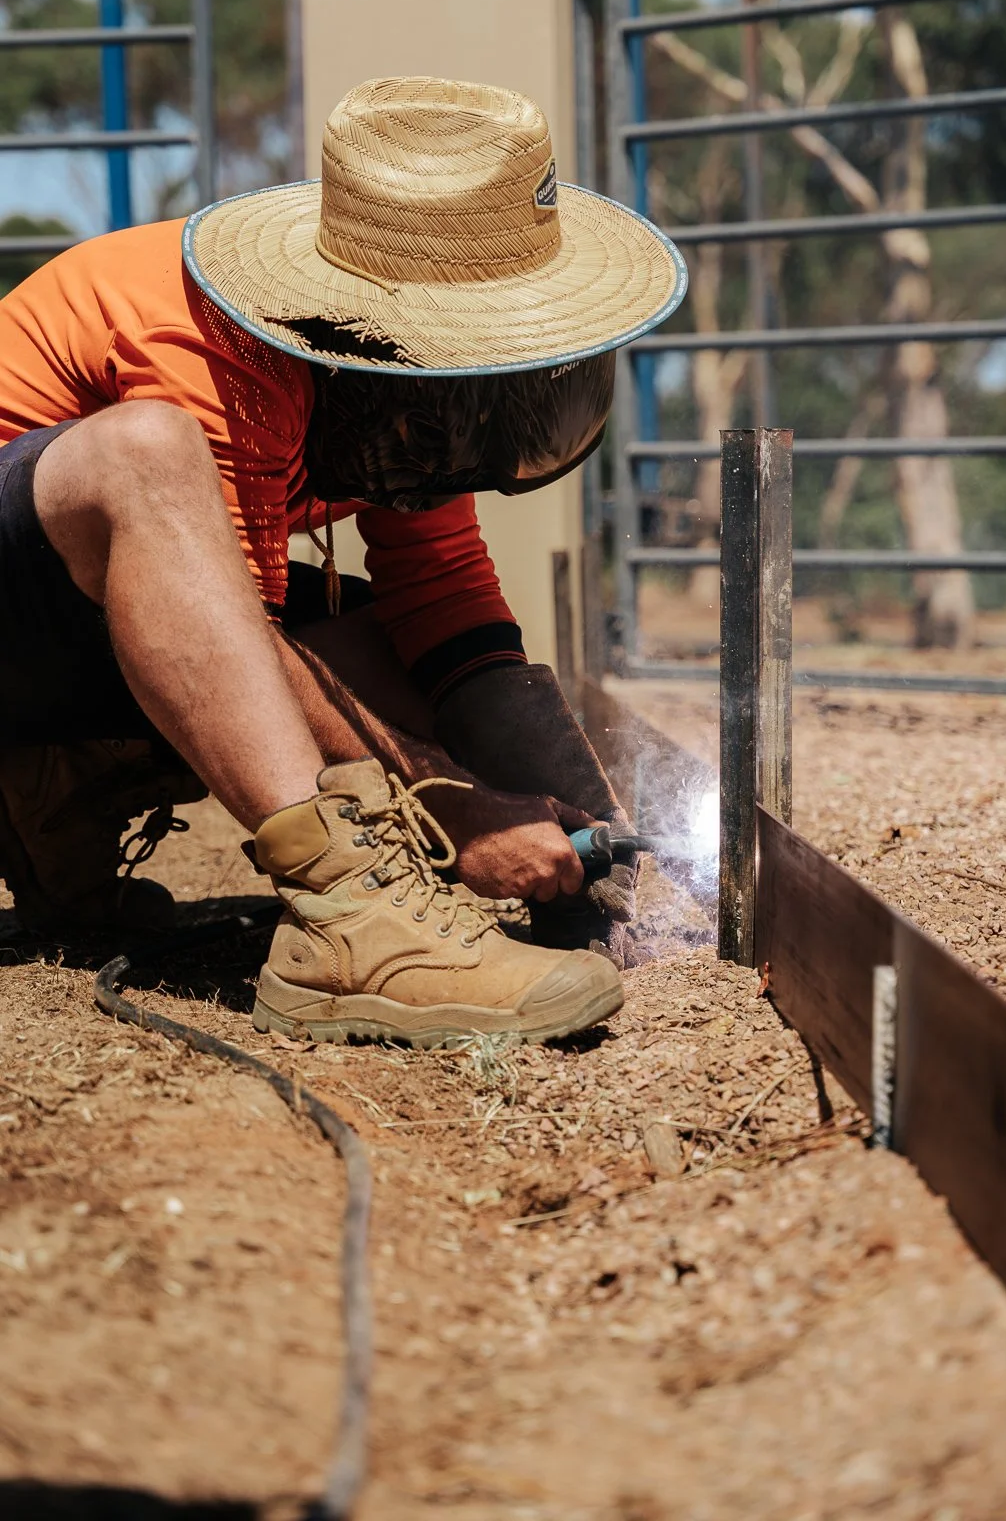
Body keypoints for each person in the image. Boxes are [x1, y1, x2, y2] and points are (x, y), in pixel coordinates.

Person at [0, 76, 687, 1047]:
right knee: (143, 454)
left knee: (395, 652)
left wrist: (587, 820)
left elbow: (451, 619)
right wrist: (460, 805)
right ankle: (352, 917)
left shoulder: (397, 369)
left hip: (59, 631)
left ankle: (48, 791)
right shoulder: (206, 335)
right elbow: (241, 632)